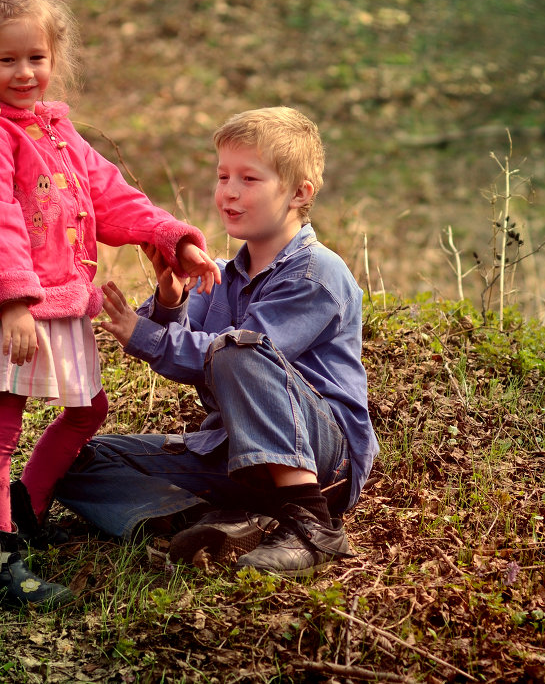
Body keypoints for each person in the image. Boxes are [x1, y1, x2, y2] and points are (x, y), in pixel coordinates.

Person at [0, 0, 221, 608]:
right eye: (7, 59)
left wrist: (176, 240)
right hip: (10, 306)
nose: (25, 72)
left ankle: (24, 508)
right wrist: (13, 303)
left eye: (36, 57)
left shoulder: (59, 134)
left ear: (54, 58)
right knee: (0, 430)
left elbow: (114, 198)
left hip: (59, 302)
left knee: (89, 410)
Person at [54, 106, 379, 578]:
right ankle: (202, 518)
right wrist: (170, 302)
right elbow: (183, 342)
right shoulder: (221, 275)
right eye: (223, 175)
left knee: (238, 348)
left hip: (321, 452)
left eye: (249, 179)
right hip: (235, 455)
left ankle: (311, 524)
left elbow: (227, 353)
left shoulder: (316, 273)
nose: (228, 191)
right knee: (79, 460)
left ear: (299, 193)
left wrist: (147, 335)